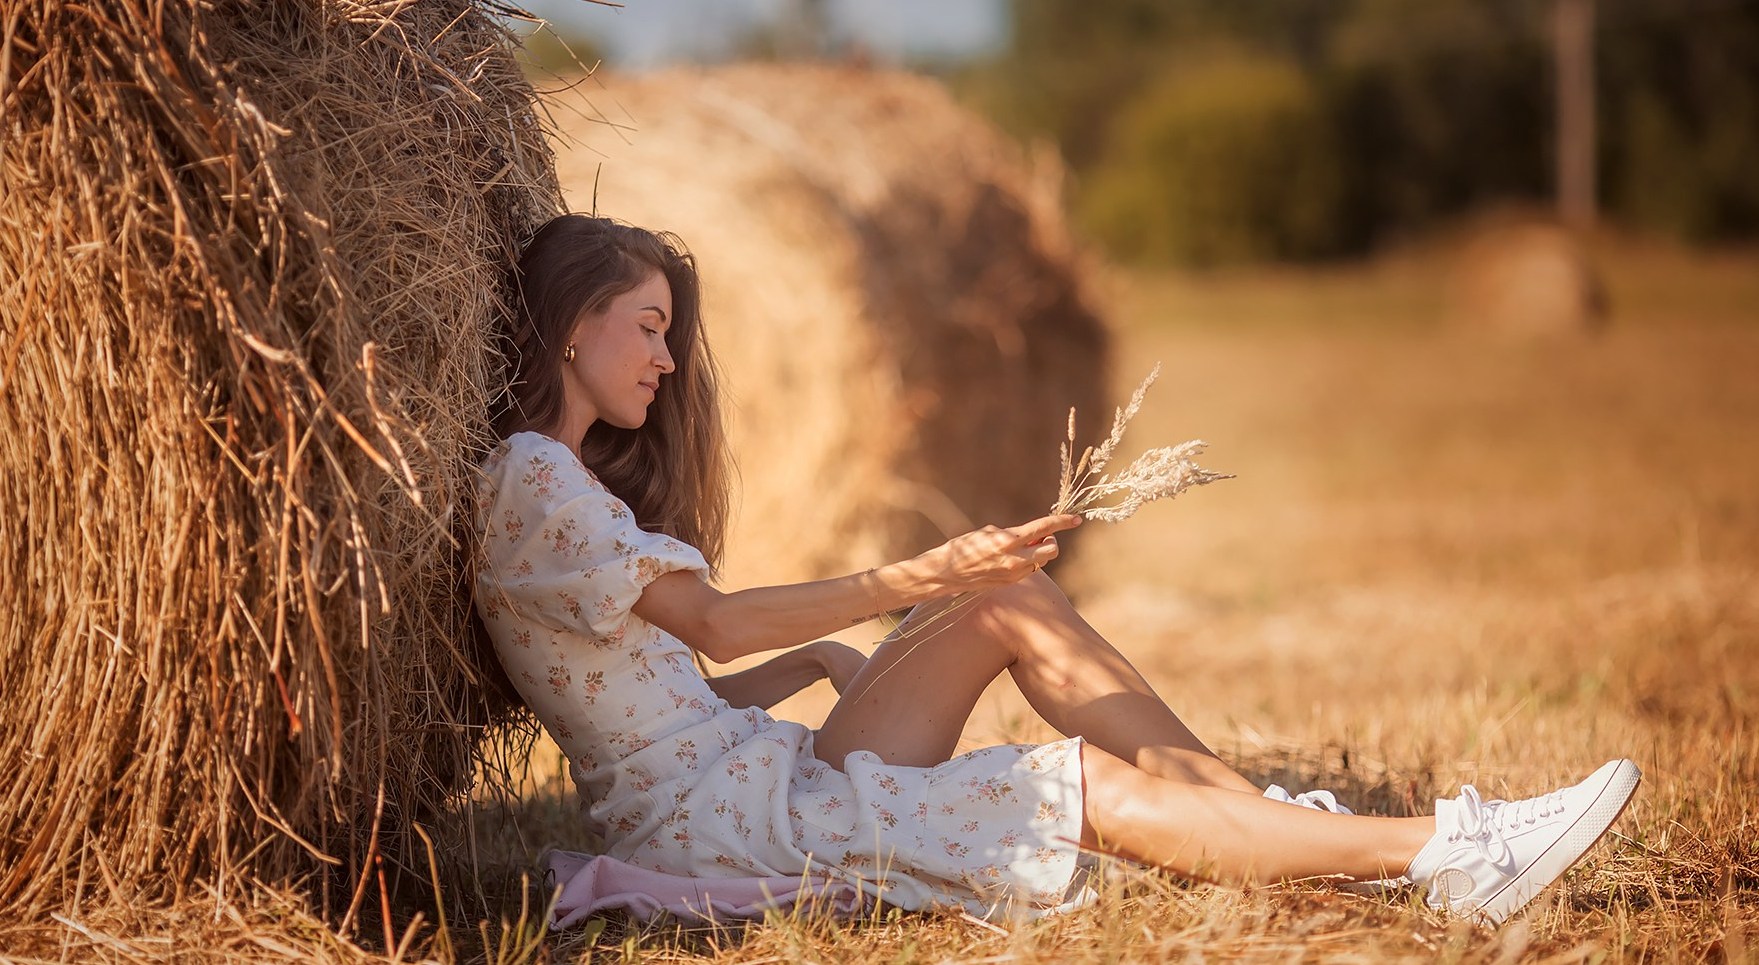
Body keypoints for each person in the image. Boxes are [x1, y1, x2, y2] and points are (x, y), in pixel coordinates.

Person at [473, 213, 1640, 926]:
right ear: (573, 323)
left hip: (740, 779)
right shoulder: (533, 477)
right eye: (647, 325)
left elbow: (659, 699)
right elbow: (718, 625)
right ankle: (1453, 851)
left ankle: (1257, 820)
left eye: (669, 330)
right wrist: (915, 574)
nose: (668, 359)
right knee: (1063, 786)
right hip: (720, 823)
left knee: (1005, 593)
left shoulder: (556, 486)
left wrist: (825, 656)